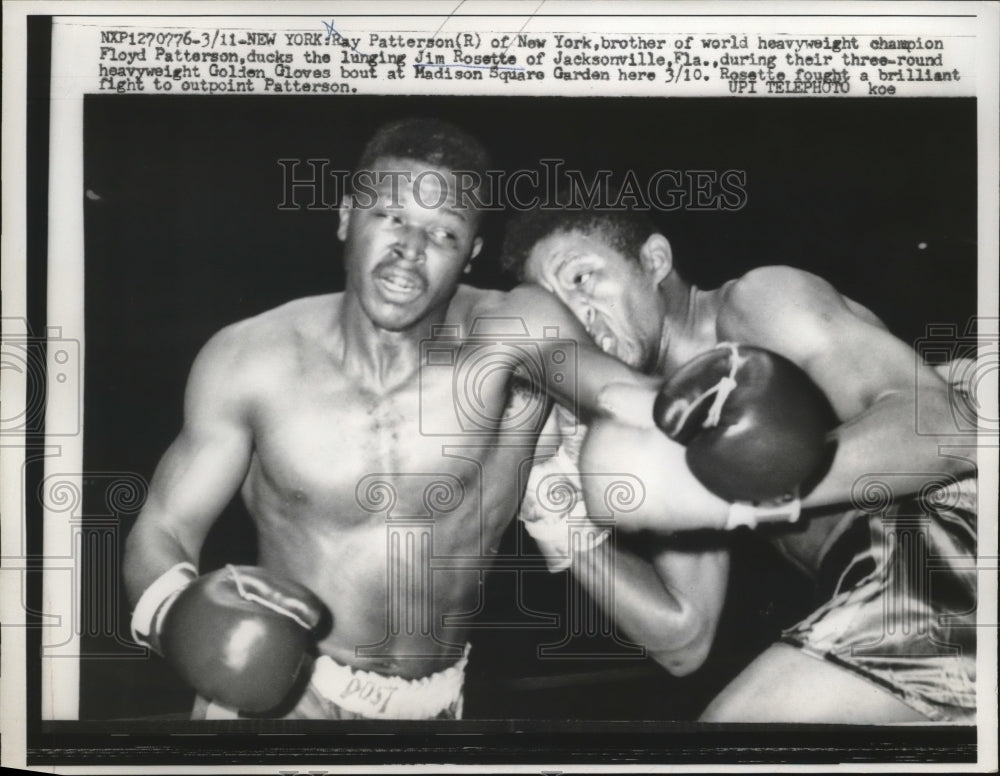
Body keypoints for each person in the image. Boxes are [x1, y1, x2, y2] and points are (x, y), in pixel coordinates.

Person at [122, 118, 723, 721]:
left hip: (435, 707)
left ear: (471, 255)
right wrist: (176, 612)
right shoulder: (251, 358)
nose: (411, 248)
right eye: (391, 216)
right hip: (283, 697)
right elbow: (164, 525)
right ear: (345, 217)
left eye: (444, 232)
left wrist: (717, 400)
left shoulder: (511, 327)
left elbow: (615, 390)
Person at [502, 206, 978, 723]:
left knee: (734, 737)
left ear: (654, 260)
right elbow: (682, 638)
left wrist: (731, 498)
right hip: (891, 589)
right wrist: (549, 502)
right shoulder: (670, 424)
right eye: (557, 307)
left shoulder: (757, 302)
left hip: (948, 535)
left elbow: (948, 429)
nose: (578, 314)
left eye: (581, 278)